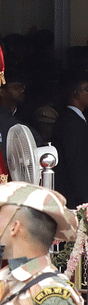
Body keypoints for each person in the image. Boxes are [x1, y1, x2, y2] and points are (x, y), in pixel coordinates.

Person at [51, 74, 88, 208]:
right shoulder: (73, 123)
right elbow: (77, 164)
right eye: (87, 89)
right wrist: (85, 199)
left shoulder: (71, 120)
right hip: (74, 197)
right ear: (75, 94)